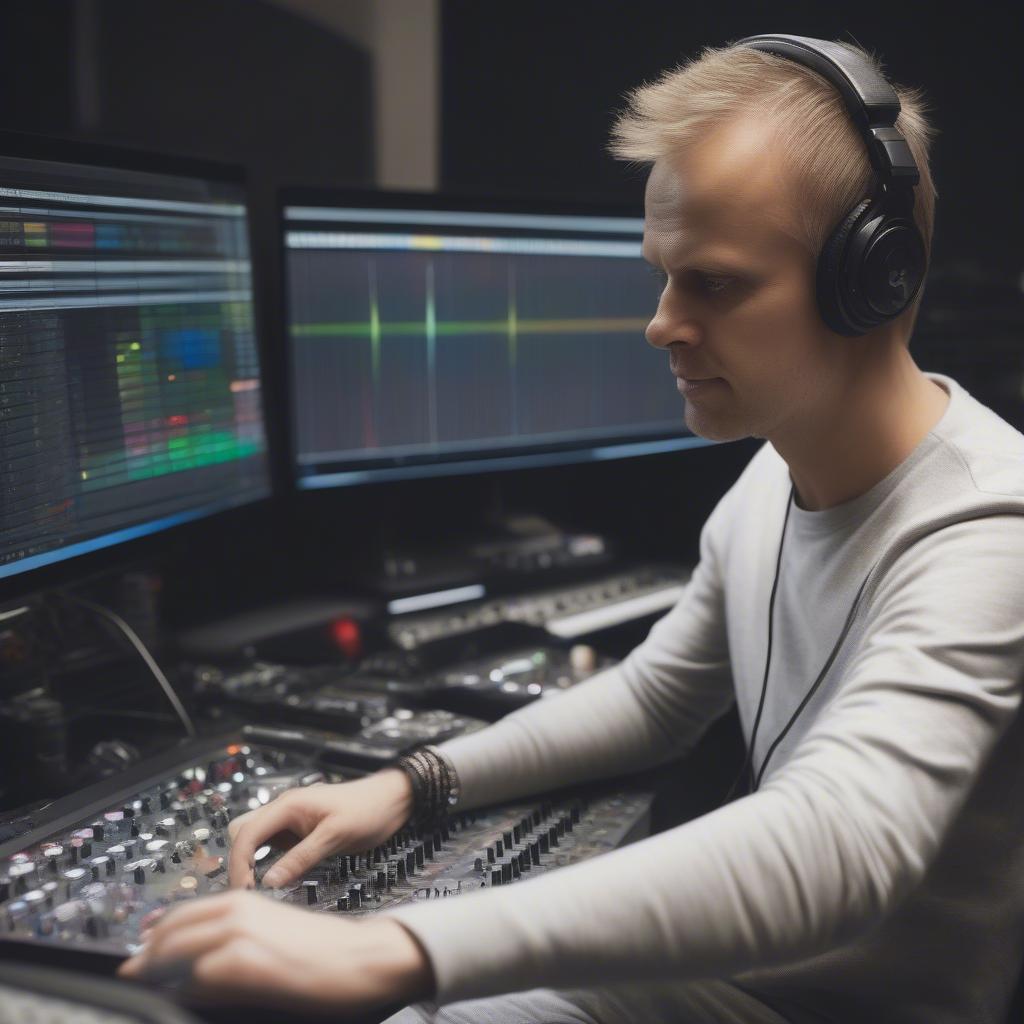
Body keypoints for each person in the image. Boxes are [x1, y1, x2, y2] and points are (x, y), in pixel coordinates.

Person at [119, 35, 1024, 1024]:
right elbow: (653, 699)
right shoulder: (775, 473)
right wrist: (415, 783)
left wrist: (398, 947)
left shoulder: (988, 523)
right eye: (662, 274)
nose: (661, 323)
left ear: (873, 279)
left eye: (713, 282)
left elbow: (841, 843)